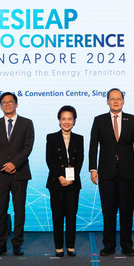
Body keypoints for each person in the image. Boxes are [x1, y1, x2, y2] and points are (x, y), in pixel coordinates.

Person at [89, 88, 134, 256]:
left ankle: (127, 245)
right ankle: (109, 245)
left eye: (118, 98)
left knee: (127, 211)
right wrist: (93, 169)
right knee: (108, 211)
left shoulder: (133, 120)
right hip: (106, 173)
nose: (115, 101)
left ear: (123, 101)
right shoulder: (99, 120)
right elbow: (93, 147)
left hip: (127, 173)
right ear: (107, 101)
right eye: (112, 98)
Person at [0, 92, 35, 256]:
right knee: (1, 210)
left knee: (19, 210)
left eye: (10, 102)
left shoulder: (27, 123)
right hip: (1, 174)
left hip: (20, 172)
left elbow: (28, 146)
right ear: (1, 106)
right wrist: (4, 165)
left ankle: (17, 244)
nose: (7, 104)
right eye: (4, 102)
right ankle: (0, 245)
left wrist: (14, 164)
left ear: (16, 104)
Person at [46, 105, 84, 257]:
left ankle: (70, 245)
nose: (66, 122)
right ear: (59, 120)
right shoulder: (51, 137)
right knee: (57, 215)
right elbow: (49, 160)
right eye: (63, 119)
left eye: (70, 119)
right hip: (56, 182)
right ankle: (58, 246)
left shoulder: (79, 138)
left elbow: (80, 160)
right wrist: (60, 177)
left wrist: (70, 178)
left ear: (74, 121)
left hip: (73, 183)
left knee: (71, 215)